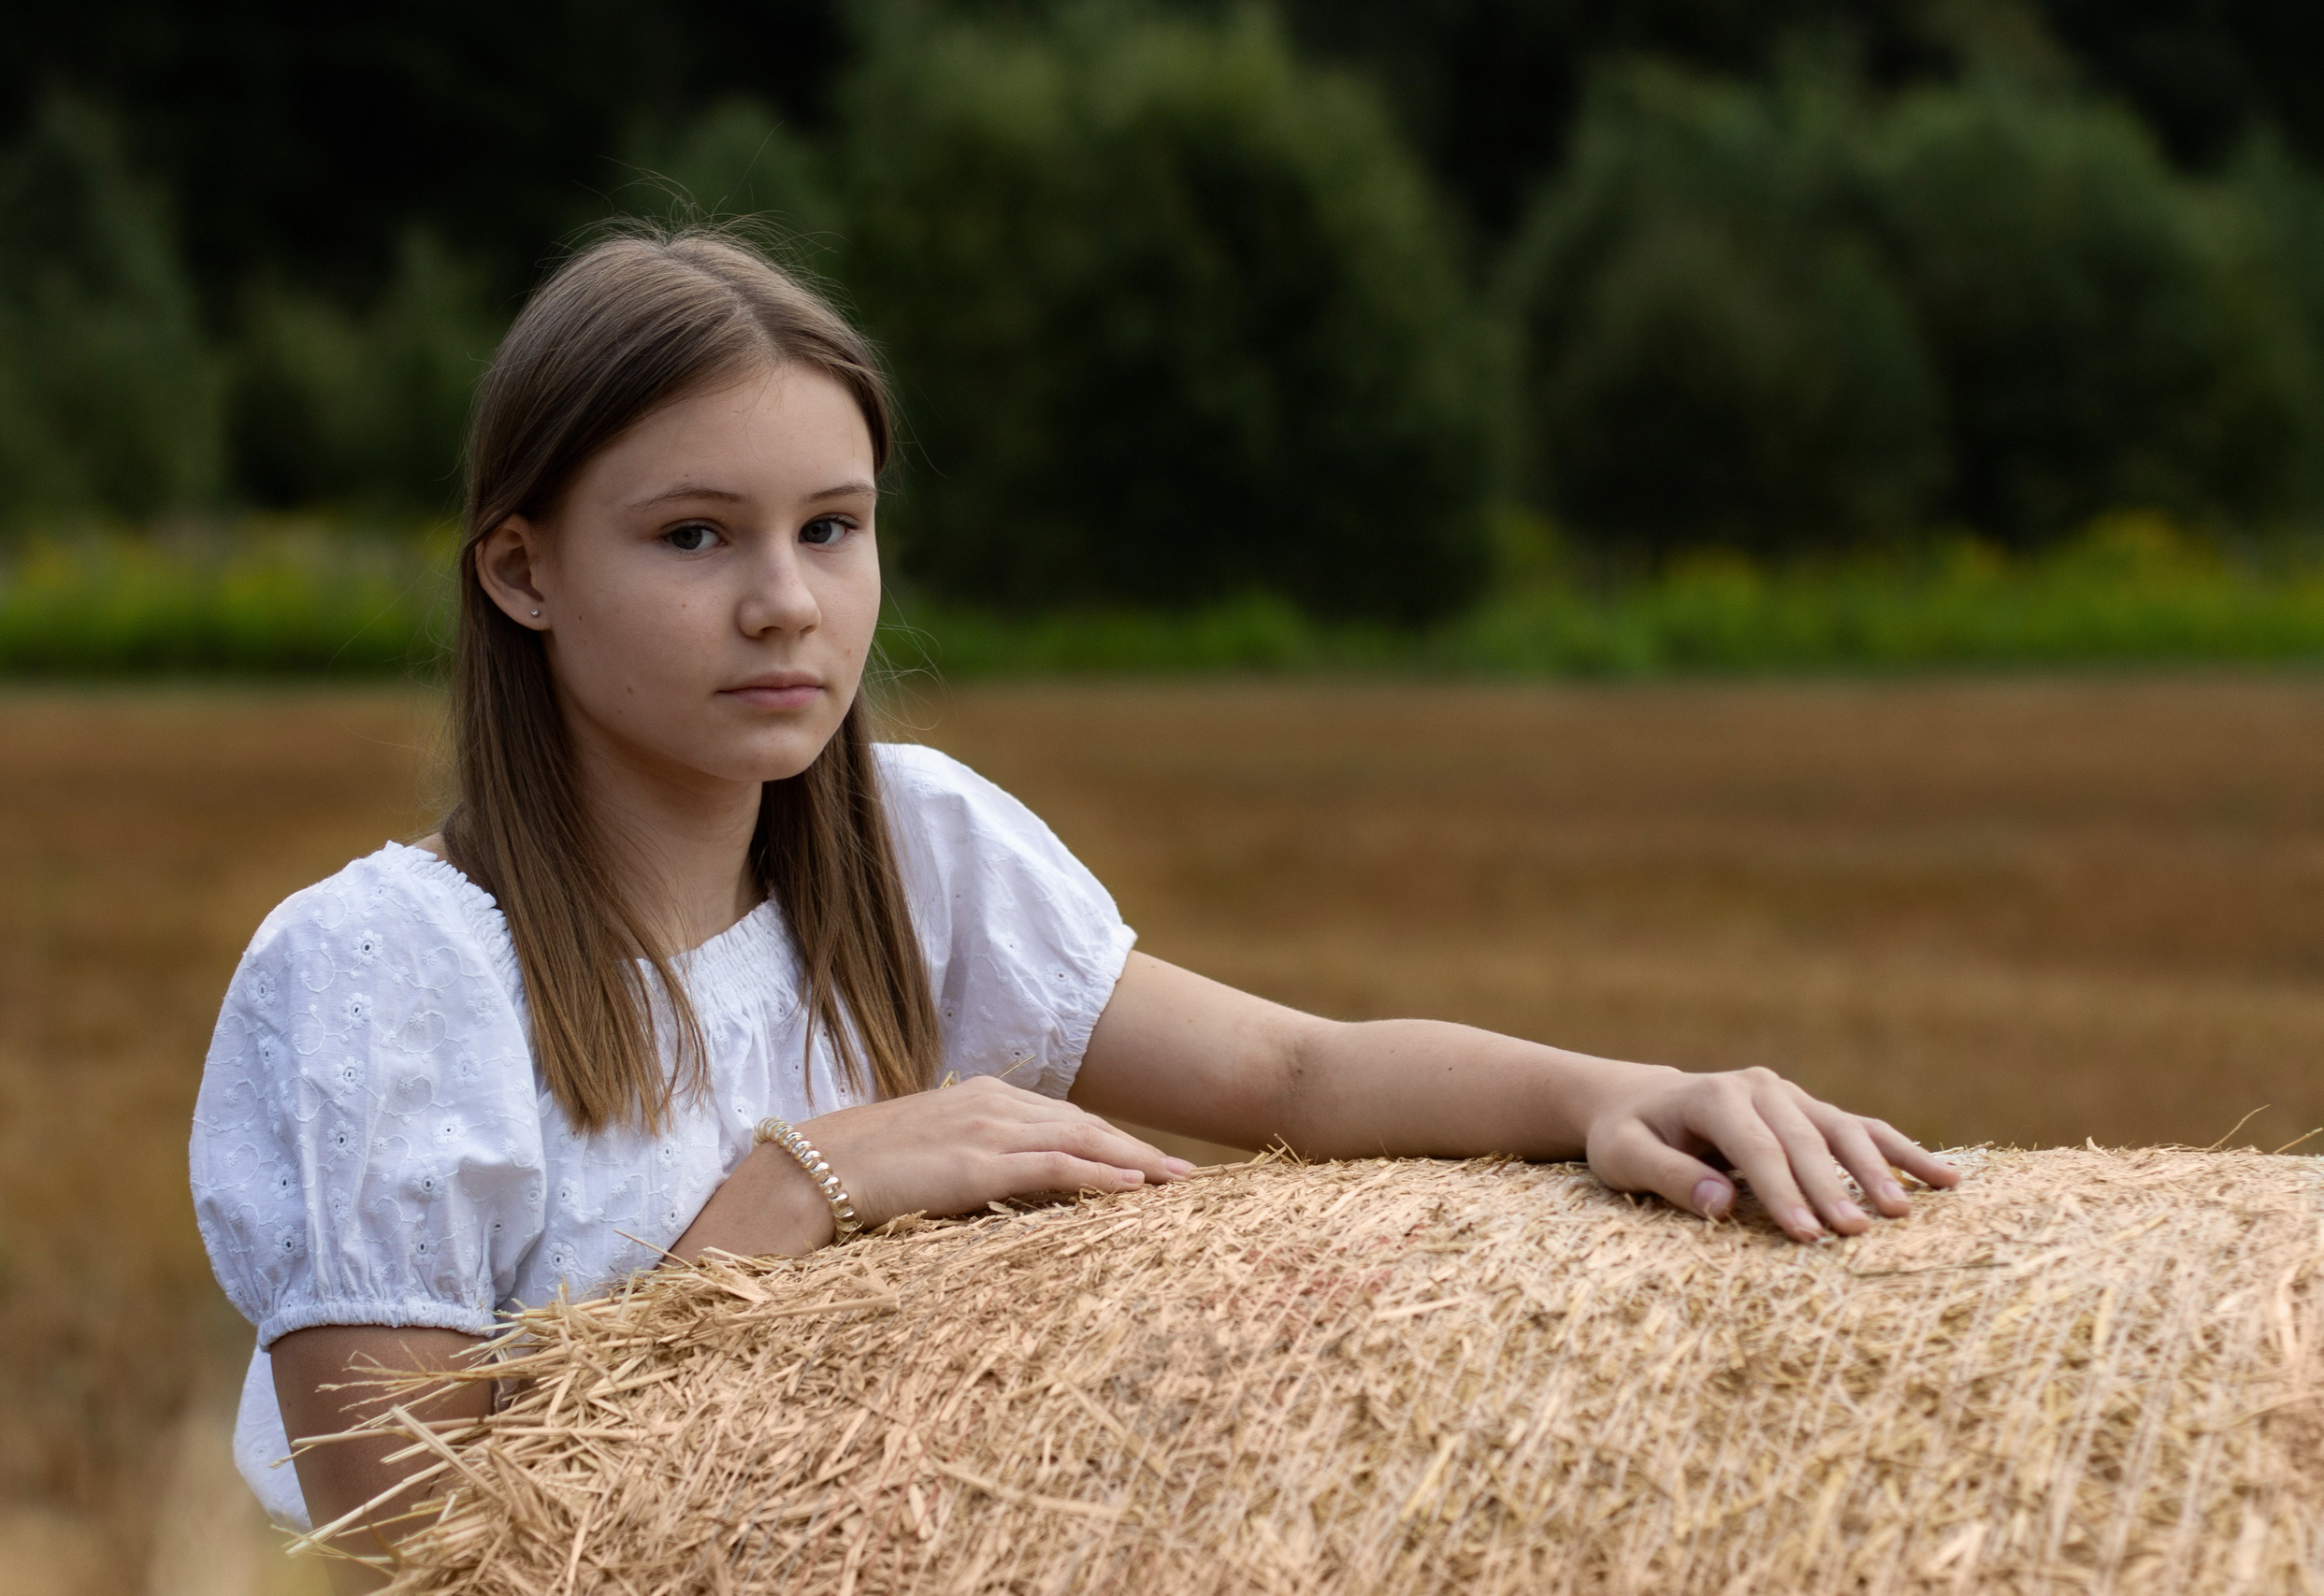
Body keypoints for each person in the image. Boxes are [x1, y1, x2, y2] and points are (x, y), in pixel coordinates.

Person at [190, 226, 1957, 1581]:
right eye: (694, 537)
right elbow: (426, 1546)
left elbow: (1290, 1078)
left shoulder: (914, 851)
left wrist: (1606, 1095)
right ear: (522, 570)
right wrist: (800, 1190)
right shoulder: (387, 977)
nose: (788, 606)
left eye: (833, 528)